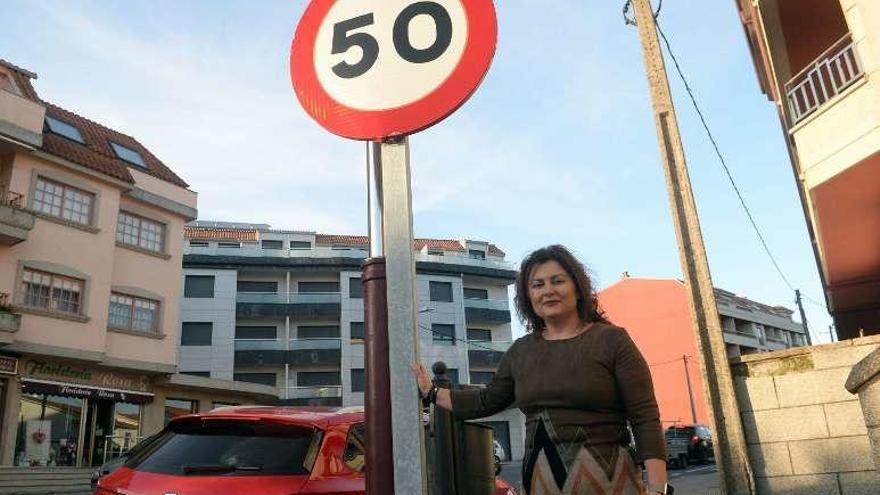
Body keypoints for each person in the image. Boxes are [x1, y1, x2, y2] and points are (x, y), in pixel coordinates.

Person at [412, 245, 670, 495]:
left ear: (578, 288)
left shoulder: (613, 341)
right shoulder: (522, 351)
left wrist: (659, 488)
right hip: (540, 484)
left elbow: (644, 416)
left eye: (557, 281)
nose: (548, 291)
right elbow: (486, 400)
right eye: (538, 285)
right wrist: (432, 393)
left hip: (614, 483)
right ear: (529, 297)